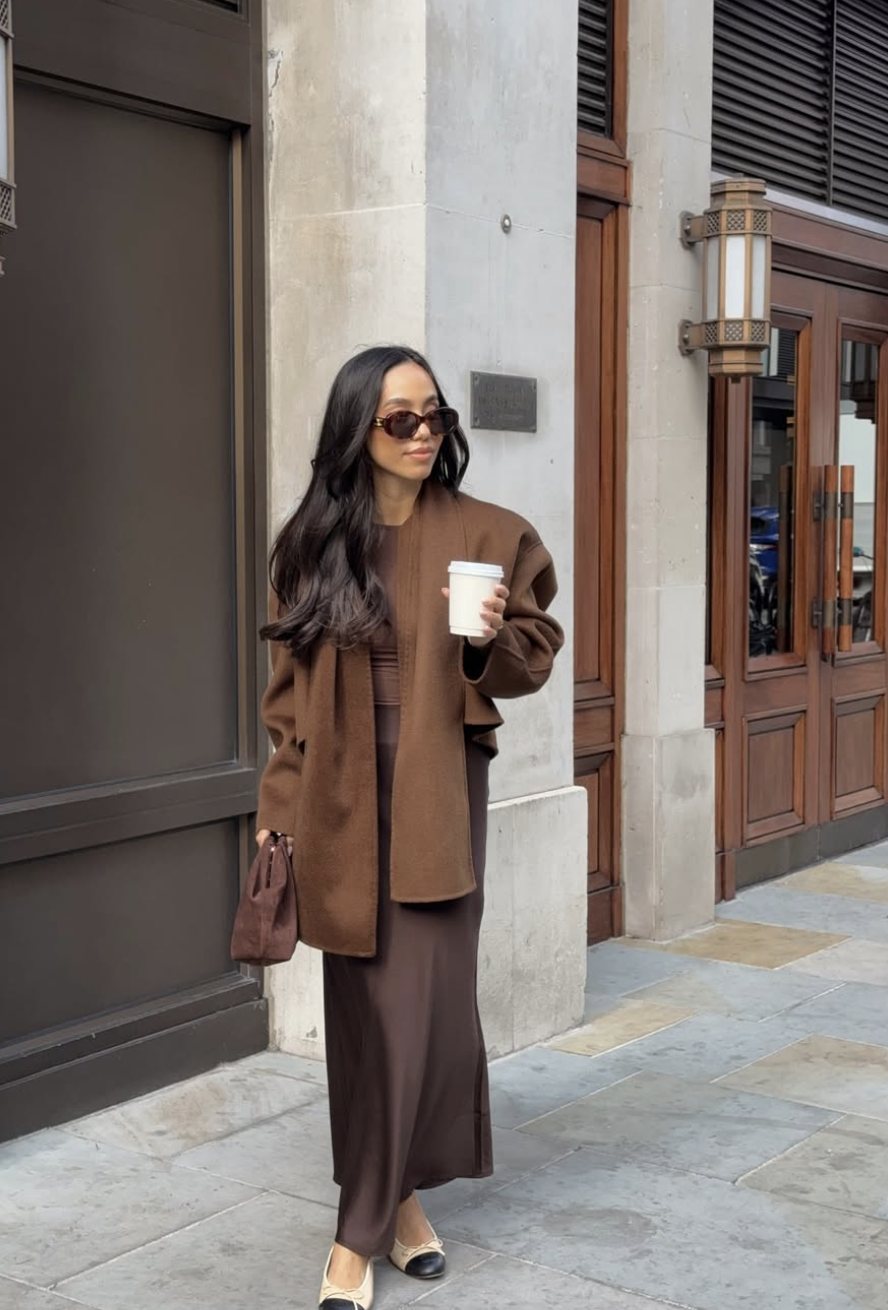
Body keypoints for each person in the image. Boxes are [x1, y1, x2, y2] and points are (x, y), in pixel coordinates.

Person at [255, 345, 563, 1309]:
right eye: (401, 420)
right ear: (358, 431)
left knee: (421, 1009)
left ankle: (356, 1235)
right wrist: (277, 816)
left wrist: (489, 639)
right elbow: (287, 704)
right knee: (364, 1016)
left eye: (436, 416)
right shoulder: (311, 546)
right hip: (337, 798)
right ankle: (398, 1208)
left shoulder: (489, 531)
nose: (424, 433)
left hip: (436, 794)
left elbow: (534, 657)